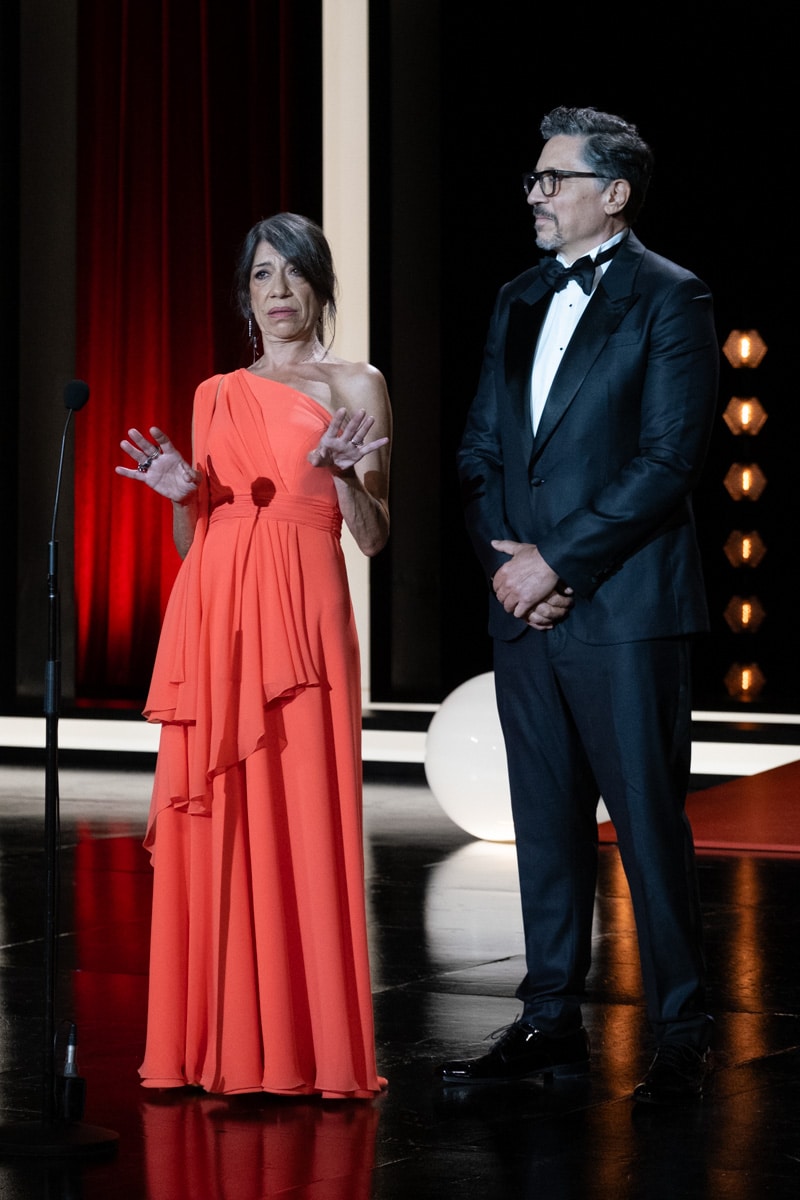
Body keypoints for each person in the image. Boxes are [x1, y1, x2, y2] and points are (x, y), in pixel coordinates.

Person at [439, 106, 719, 1104]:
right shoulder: (516, 296)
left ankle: (681, 1033)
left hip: (625, 610)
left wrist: (555, 563)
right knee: (544, 825)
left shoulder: (670, 296)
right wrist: (509, 568)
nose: (535, 193)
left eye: (554, 178)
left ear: (615, 193)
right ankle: (549, 1021)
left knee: (646, 826)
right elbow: (478, 450)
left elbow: (667, 461)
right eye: (534, 178)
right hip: (523, 609)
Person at [116, 212, 391, 1100]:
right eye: (262, 275)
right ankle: (215, 1043)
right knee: (222, 819)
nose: (278, 291)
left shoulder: (357, 384)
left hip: (305, 621)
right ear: (246, 294)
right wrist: (180, 496)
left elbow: (374, 537)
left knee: (305, 817)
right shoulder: (215, 394)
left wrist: (342, 475)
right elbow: (193, 542)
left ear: (320, 286)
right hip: (219, 618)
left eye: (293, 273)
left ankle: (314, 1054)